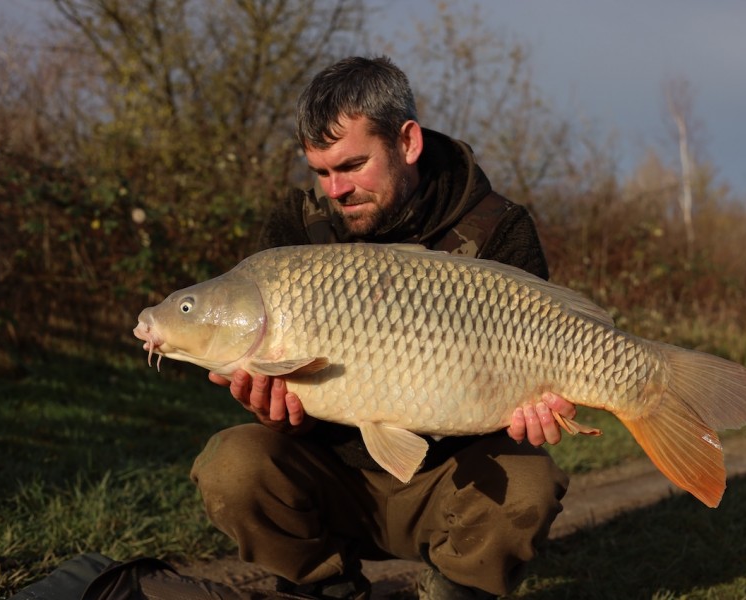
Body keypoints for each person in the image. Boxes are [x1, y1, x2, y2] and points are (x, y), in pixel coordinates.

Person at [191, 56, 577, 600]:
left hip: (450, 481)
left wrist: (529, 411)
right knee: (233, 463)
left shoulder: (498, 228)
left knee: (529, 482)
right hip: (335, 482)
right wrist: (280, 417)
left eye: (351, 165)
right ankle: (323, 588)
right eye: (320, 172)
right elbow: (290, 410)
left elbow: (513, 400)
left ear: (408, 142)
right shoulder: (293, 233)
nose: (336, 189)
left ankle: (455, 589)